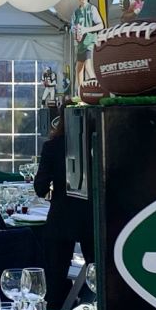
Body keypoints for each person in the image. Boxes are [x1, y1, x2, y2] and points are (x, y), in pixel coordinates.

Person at [32, 109, 92, 278]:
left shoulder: (52, 146)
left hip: (61, 216)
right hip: (93, 219)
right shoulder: (98, 143)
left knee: (55, 276)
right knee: (98, 274)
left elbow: (40, 188)